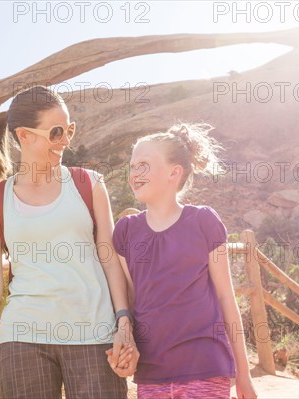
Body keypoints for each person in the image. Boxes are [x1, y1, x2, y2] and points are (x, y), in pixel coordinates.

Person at [0, 85, 138, 399]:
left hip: (94, 335)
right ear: (24, 136)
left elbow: (110, 258)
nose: (66, 141)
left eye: (69, 130)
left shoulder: (89, 184)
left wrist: (124, 324)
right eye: (56, 132)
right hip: (23, 337)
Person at [110, 123, 258, 399]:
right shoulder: (126, 231)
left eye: (144, 165)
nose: (134, 174)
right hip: (152, 373)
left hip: (205, 367)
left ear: (174, 173)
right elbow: (132, 300)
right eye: (132, 167)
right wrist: (126, 342)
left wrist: (244, 375)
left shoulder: (203, 222)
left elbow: (227, 299)